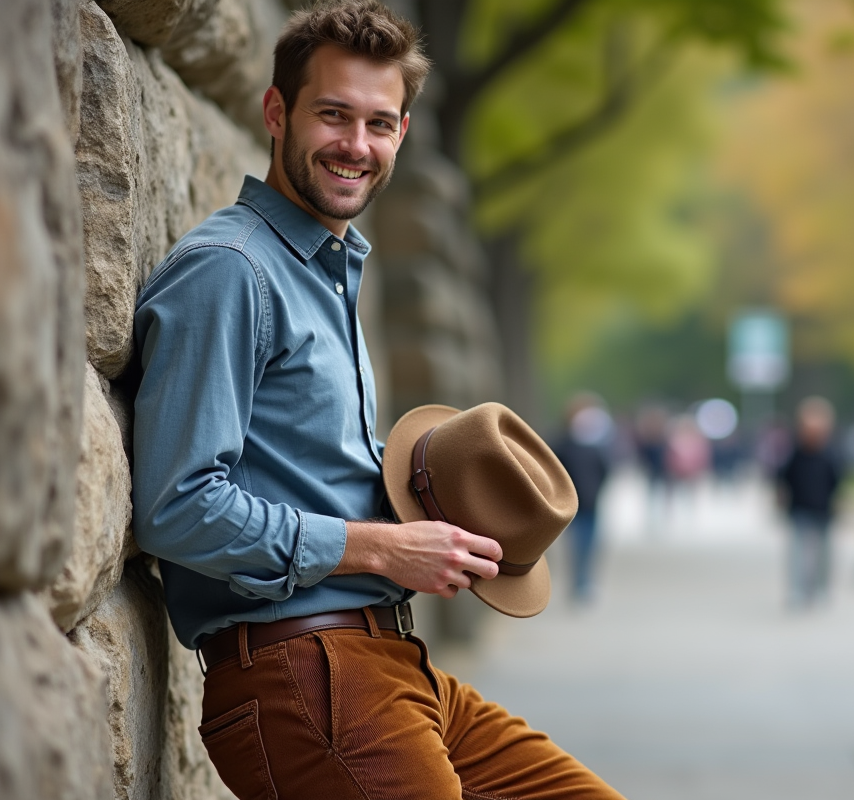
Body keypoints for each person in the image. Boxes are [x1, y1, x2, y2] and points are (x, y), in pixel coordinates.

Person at [131, 4, 623, 797]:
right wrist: (381, 549)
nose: (356, 146)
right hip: (305, 669)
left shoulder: (327, 269)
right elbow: (176, 507)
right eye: (333, 115)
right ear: (275, 112)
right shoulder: (232, 272)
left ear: (401, 131)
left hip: (391, 660)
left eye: (380, 123)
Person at [775, 397, 843, 608]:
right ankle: (797, 591)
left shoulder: (831, 454)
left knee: (824, 554)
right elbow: (783, 478)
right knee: (797, 552)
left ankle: (821, 590)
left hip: (824, 509)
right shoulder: (795, 453)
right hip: (799, 509)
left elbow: (838, 481)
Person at [553, 393, 612, 604]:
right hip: (573, 504)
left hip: (591, 503)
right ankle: (579, 584)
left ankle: (584, 583)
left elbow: (605, 469)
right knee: (578, 545)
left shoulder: (596, 442)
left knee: (590, 545)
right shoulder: (564, 443)